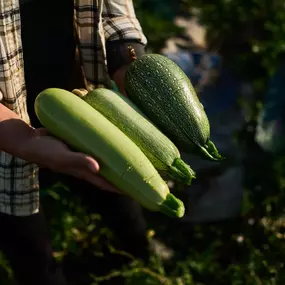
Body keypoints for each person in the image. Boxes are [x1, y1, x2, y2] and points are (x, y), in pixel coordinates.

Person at [0, 0, 149, 284]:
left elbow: (113, 9)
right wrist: (19, 139)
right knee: (25, 240)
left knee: (113, 192)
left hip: (80, 98)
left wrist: (130, 61)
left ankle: (139, 251)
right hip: (4, 140)